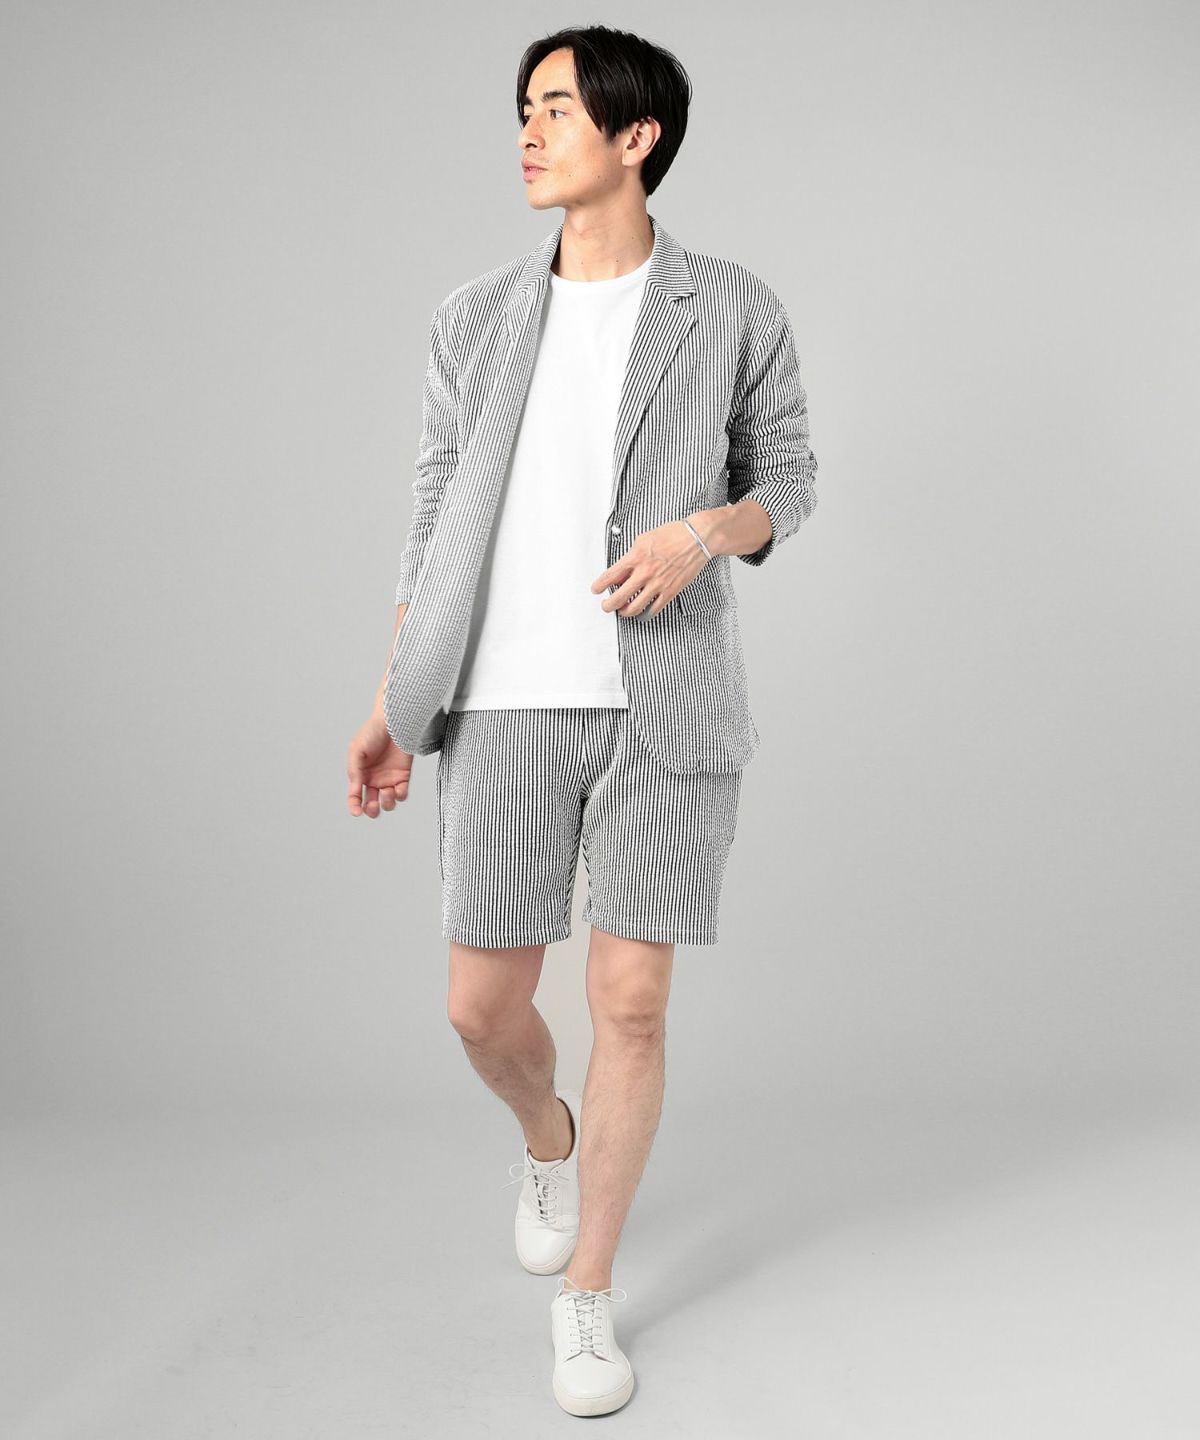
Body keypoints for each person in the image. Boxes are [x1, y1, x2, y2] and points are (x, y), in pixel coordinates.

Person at [346, 23, 819, 1418]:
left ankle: (589, 1298)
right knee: (481, 1008)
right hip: (499, 700)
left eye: (557, 108)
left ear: (636, 136)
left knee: (631, 1003)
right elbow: (433, 524)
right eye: (526, 107)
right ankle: (546, 1137)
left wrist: (702, 535)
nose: (528, 131)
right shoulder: (473, 319)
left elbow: (790, 477)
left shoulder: (729, 306)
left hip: (664, 705)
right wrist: (392, 700)